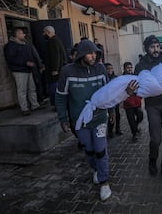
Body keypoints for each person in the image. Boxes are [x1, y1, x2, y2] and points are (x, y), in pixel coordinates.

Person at [55, 40, 115, 201]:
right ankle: (96, 169)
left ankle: (104, 182)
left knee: (100, 149)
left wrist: (112, 111)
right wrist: (63, 118)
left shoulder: (101, 68)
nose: (93, 56)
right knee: (89, 149)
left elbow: (108, 93)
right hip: (79, 121)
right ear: (81, 54)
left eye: (95, 53)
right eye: (90, 53)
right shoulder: (67, 71)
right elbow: (60, 97)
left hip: (100, 117)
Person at [135, 35, 162, 182]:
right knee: (156, 139)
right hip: (152, 105)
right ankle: (152, 160)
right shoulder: (140, 66)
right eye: (152, 47)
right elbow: (136, 85)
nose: (156, 49)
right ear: (146, 49)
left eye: (157, 46)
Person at [4, 28, 43, 116]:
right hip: (19, 71)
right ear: (17, 34)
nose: (24, 35)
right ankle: (24, 108)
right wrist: (25, 63)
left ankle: (34, 105)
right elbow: (10, 59)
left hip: (28, 70)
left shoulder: (24, 44)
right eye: (22, 33)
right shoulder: (10, 46)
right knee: (22, 90)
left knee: (32, 88)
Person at [43, 25, 67, 106]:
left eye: (44, 32)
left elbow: (55, 56)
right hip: (58, 69)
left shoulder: (52, 42)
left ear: (48, 32)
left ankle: (56, 104)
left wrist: (55, 69)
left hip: (55, 70)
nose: (43, 34)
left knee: (54, 87)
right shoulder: (56, 40)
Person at [123, 62, 143, 142]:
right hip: (128, 103)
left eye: (131, 67)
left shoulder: (135, 77)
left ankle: (136, 126)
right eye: (128, 67)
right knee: (131, 120)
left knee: (140, 116)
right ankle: (134, 134)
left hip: (137, 102)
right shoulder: (122, 78)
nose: (130, 69)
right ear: (124, 68)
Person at [104, 63, 122, 138]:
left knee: (117, 115)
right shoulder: (103, 78)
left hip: (115, 99)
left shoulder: (115, 77)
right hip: (106, 100)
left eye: (111, 68)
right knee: (109, 115)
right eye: (108, 69)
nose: (110, 70)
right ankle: (110, 131)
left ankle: (117, 128)